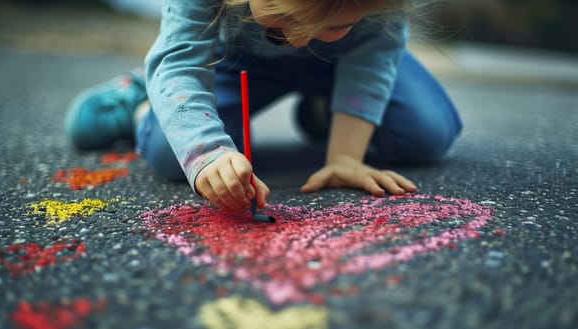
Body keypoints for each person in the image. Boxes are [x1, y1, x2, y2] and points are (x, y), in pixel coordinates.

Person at [65, 0, 462, 213]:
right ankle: (142, 97)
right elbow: (182, 62)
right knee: (174, 158)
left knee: (427, 133)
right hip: (237, 60)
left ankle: (324, 110)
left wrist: (346, 156)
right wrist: (208, 153)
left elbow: (374, 60)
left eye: (336, 23)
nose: (303, 40)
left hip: (342, 66)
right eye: (286, 16)